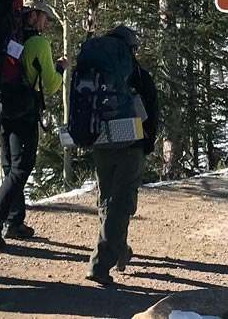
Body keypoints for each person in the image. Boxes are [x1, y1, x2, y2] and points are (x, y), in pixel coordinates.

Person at [0, 0, 65, 248]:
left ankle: (14, 221)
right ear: (34, 15)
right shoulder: (39, 44)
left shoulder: (8, 38)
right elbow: (50, 85)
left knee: (9, 165)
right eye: (45, 17)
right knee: (21, 167)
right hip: (24, 110)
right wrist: (60, 68)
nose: (46, 24)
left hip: (1, 107)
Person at [86, 25, 160, 287]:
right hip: (131, 145)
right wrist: (147, 144)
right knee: (122, 203)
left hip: (100, 144)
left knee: (108, 200)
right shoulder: (138, 75)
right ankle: (100, 263)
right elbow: (152, 113)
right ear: (130, 48)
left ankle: (119, 251)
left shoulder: (94, 71)